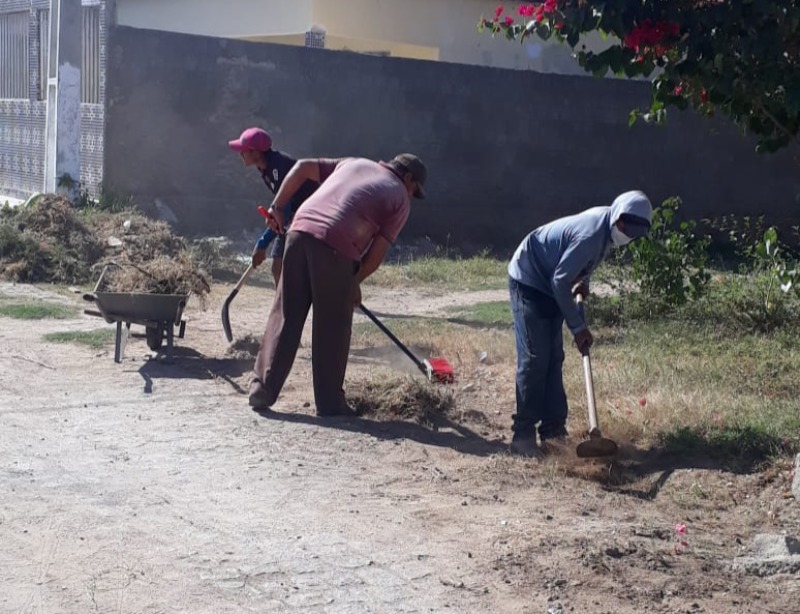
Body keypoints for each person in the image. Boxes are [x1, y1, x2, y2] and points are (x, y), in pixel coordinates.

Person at [248, 153, 428, 416]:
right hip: (336, 245)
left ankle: (262, 389)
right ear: (408, 178)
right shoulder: (399, 197)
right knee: (333, 324)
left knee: (286, 314)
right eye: (414, 190)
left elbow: (302, 166)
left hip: (298, 233)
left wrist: (277, 206)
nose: (411, 195)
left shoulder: (354, 163)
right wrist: (353, 282)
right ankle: (331, 403)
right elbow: (376, 254)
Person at [507, 190, 653, 458]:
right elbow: (560, 280)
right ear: (618, 217)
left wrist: (582, 281)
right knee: (535, 358)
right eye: (626, 228)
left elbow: (581, 263)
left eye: (634, 233)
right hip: (529, 279)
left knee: (554, 358)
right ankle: (523, 435)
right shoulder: (592, 234)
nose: (628, 235)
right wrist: (578, 328)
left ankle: (553, 431)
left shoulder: (606, 231)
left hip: (551, 281)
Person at [228, 127, 319, 285]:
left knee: (293, 270)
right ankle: (283, 302)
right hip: (291, 217)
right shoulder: (264, 168)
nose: (240, 153)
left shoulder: (278, 166)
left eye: (244, 150)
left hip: (310, 218)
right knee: (277, 269)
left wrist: (262, 243)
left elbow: (284, 207)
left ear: (256, 152)